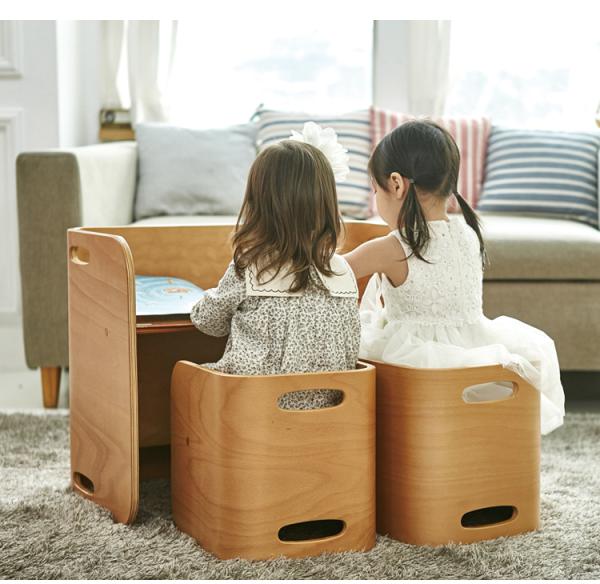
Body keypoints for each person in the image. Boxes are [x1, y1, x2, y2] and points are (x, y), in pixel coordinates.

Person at [343, 120, 564, 434]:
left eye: (374, 190)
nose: (376, 199)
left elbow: (332, 273)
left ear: (396, 184)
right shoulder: (468, 234)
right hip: (474, 350)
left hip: (419, 363)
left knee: (352, 357)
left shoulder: (393, 247)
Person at [191, 124, 359, 409]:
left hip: (259, 407)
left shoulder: (251, 266)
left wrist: (206, 299)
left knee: (188, 380)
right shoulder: (342, 271)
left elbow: (209, 322)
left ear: (258, 205)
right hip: (331, 409)